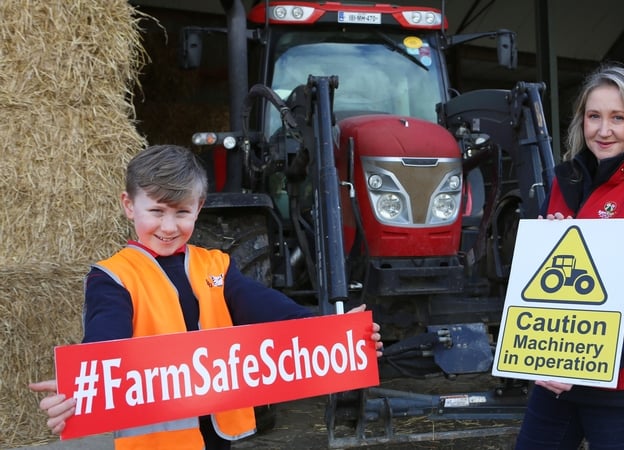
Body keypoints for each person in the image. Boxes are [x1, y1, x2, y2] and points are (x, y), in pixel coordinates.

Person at [29, 144, 383, 450]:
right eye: (156, 212)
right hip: (156, 439)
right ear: (128, 205)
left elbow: (270, 310)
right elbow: (106, 337)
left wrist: (338, 335)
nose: (169, 227)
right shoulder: (112, 277)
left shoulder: (216, 265)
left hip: (216, 430)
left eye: (182, 212)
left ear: (199, 208)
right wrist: (82, 385)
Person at [514, 65, 624, 449]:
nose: (603, 130)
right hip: (556, 381)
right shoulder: (563, 185)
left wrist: (584, 361)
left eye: (618, 118)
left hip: (623, 388)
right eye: (593, 116)